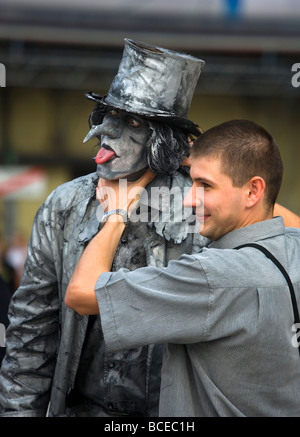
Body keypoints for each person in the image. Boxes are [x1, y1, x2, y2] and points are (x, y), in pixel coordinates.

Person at [0, 39, 206, 417]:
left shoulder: (200, 207)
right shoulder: (65, 204)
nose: (105, 131)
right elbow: (32, 331)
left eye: (131, 121)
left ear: (162, 139)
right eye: (107, 114)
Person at [65, 119, 300, 417]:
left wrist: (117, 213)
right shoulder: (294, 247)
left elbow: (81, 293)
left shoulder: (211, 277)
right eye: (191, 179)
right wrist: (221, 160)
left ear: (254, 190)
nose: (189, 199)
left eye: (205, 185)